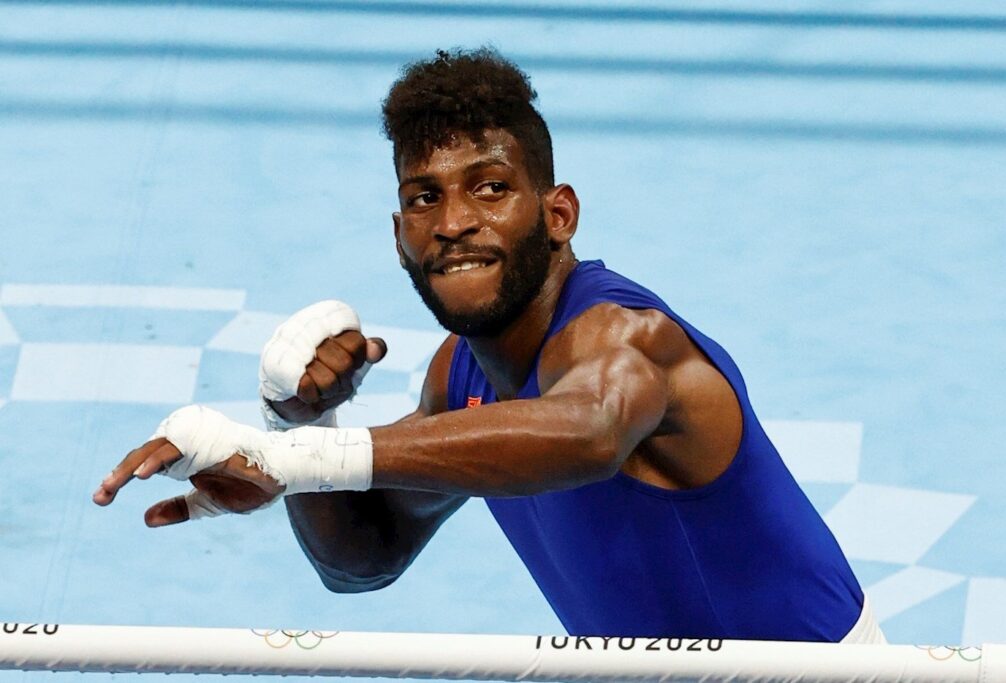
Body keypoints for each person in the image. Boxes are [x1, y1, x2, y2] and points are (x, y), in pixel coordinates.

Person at [93, 48, 884, 643]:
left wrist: (299, 467)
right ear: (399, 237)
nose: (454, 221)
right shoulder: (462, 377)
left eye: (491, 187)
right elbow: (359, 563)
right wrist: (294, 426)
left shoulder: (627, 338)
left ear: (558, 214)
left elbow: (590, 430)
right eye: (423, 198)